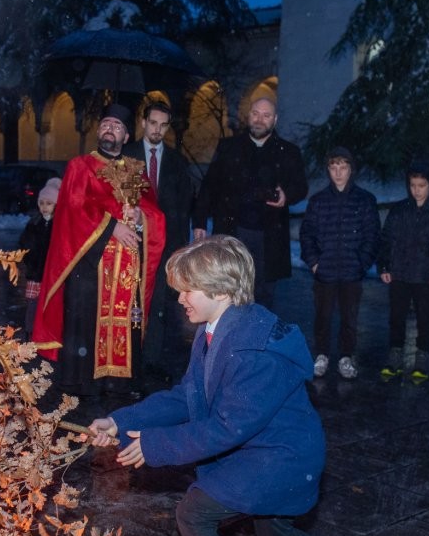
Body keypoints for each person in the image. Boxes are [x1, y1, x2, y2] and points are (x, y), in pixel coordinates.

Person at [86, 236, 391, 536]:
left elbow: (228, 427)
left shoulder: (253, 348)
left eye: (187, 290)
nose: (180, 299)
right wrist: (120, 422)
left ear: (222, 290)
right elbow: (186, 397)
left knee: (194, 513)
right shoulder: (214, 330)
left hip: (280, 456)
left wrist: (155, 446)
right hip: (259, 450)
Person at [33, 104, 167, 395]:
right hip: (88, 266)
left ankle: (117, 382)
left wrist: (139, 218)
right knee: (84, 320)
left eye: (117, 126)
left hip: (125, 268)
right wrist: (112, 228)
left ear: (127, 135)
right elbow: (73, 209)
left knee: (122, 322)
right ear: (98, 130)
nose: (110, 128)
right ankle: (83, 385)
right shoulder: (80, 166)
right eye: (105, 123)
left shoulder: (135, 171)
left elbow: (155, 214)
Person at [194, 97, 307, 308]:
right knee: (228, 293)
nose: (259, 120)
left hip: (269, 236)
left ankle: (257, 340)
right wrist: (199, 221)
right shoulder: (229, 148)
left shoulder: (288, 152)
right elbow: (210, 186)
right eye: (255, 113)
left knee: (263, 298)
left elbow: (301, 187)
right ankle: (230, 340)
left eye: (266, 116)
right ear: (248, 116)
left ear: (275, 120)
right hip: (232, 232)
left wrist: (286, 195)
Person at [124, 101, 196, 382]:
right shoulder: (127, 156)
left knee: (160, 305)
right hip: (131, 242)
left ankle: (152, 360)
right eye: (153, 123)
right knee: (130, 300)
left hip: (165, 245)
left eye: (163, 125)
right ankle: (128, 357)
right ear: (143, 123)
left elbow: (182, 209)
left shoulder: (178, 162)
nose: (157, 129)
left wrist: (180, 249)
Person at [300, 146, 380, 380]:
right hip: (324, 272)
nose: (338, 172)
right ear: (328, 170)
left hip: (351, 272)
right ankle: (322, 354)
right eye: (333, 167)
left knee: (349, 317)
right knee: (322, 316)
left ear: (351, 169)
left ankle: (346, 355)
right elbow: (307, 234)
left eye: (342, 167)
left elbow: (372, 235)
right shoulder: (318, 201)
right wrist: (315, 262)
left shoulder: (364, 200)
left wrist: (361, 263)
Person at [377, 160, 429, 382]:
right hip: (399, 272)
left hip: (426, 276)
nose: (417, 190)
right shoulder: (399, 210)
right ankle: (395, 355)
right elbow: (386, 239)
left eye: (422, 185)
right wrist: (384, 266)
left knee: (424, 317)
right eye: (413, 185)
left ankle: (423, 357)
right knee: (396, 317)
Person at [18, 178, 59, 340]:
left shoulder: (59, 224)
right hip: (36, 274)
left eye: (49, 203)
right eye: (41, 203)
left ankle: (49, 336)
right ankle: (31, 334)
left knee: (51, 306)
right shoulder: (34, 223)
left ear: (56, 204)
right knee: (33, 307)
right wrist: (30, 260)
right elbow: (24, 244)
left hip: (53, 275)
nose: (44, 207)